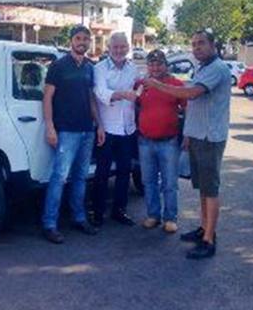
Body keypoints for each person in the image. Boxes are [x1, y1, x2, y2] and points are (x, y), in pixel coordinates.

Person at [143, 30, 231, 259]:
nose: (196, 47)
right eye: (193, 44)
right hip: (198, 136)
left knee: (210, 190)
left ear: (213, 44)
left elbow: (191, 93)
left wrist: (156, 84)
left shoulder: (217, 68)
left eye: (201, 43)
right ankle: (204, 228)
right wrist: (189, 134)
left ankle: (209, 240)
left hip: (210, 138)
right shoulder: (203, 67)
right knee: (201, 188)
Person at [42, 25, 105, 244]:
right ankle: (49, 224)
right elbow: (47, 98)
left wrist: (100, 125)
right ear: (71, 41)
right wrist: (49, 126)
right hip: (66, 131)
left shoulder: (90, 67)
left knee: (80, 177)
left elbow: (91, 99)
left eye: (86, 39)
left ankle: (79, 218)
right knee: (59, 177)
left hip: (87, 130)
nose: (82, 42)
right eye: (78, 38)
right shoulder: (58, 66)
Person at [92, 32, 139, 227]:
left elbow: (139, 90)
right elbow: (100, 92)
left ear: (128, 47)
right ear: (109, 49)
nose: (119, 50)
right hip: (108, 129)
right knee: (102, 173)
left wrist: (137, 93)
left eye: (122, 47)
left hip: (128, 129)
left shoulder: (133, 68)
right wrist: (123, 94)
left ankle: (119, 210)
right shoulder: (99, 69)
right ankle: (97, 213)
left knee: (124, 172)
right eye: (115, 47)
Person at [135, 49, 186, 234]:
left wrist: (186, 135)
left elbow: (187, 109)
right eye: (151, 64)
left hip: (168, 142)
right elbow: (134, 103)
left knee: (170, 182)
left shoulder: (176, 84)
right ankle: (153, 215)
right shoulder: (141, 85)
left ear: (166, 65)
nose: (155, 67)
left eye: (158, 64)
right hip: (145, 141)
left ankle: (170, 218)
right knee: (148, 182)